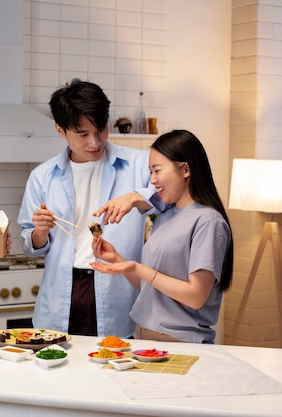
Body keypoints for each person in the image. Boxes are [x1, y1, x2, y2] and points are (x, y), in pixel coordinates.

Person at [17, 79, 164, 337]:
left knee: (111, 367)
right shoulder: (42, 176)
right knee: (59, 368)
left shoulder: (139, 164)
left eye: (100, 130)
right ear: (60, 130)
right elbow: (29, 245)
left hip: (116, 291)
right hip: (61, 292)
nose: (95, 142)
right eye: (83, 134)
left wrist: (135, 197)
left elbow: (170, 196)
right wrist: (39, 231)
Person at [90, 129, 234, 343]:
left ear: (185, 169)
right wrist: (119, 260)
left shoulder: (208, 221)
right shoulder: (165, 215)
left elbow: (195, 297)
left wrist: (138, 267)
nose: (153, 181)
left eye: (157, 171)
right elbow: (150, 286)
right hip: (144, 335)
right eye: (150, 172)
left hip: (181, 342)